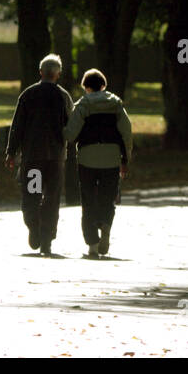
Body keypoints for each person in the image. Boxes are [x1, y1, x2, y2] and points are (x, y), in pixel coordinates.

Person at [4, 53, 73, 256]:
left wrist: (11, 152)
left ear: (41, 72)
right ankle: (47, 239)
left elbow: (17, 126)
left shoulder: (27, 95)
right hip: (55, 158)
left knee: (31, 195)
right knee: (52, 198)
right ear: (58, 74)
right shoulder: (63, 96)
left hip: (33, 157)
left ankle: (34, 226)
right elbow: (72, 125)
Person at [63, 68, 132, 259]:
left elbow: (71, 134)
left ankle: (92, 245)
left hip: (87, 157)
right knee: (107, 196)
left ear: (86, 87)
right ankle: (106, 226)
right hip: (111, 157)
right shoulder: (116, 104)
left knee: (88, 199)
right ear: (104, 85)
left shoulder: (83, 105)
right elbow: (126, 132)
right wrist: (125, 159)